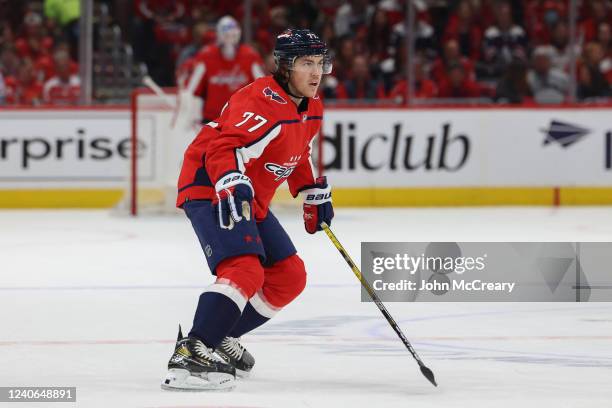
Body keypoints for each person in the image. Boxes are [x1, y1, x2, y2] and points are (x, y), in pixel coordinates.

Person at [161, 29, 335, 391]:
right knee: (244, 268)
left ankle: (219, 337)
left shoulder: (312, 106)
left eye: (320, 63)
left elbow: (298, 153)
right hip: (211, 183)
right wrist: (228, 181)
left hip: (247, 192)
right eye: (306, 63)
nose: (316, 73)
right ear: (285, 67)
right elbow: (223, 148)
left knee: (290, 276)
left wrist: (311, 191)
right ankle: (192, 351)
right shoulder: (259, 100)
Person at [177, 15, 264, 126]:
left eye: (233, 35)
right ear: (220, 35)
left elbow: (262, 86)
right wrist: (192, 112)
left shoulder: (249, 55)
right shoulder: (207, 55)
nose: (230, 39)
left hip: (242, 117)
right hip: (213, 117)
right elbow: (192, 88)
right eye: (227, 35)